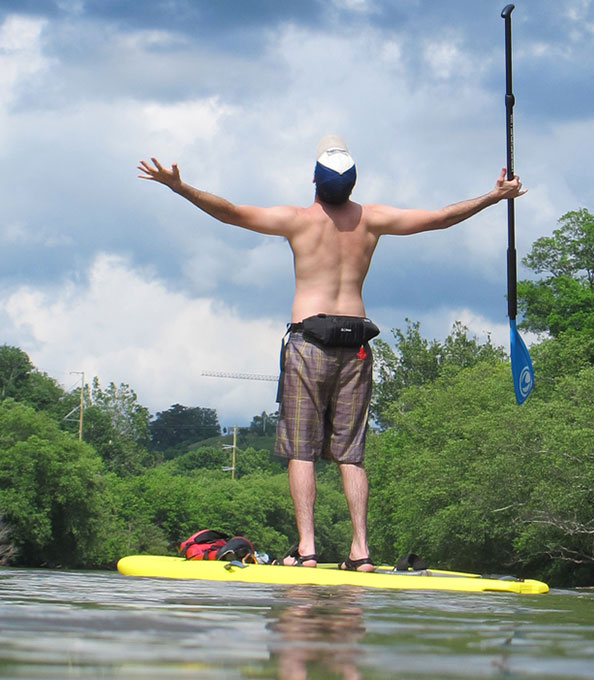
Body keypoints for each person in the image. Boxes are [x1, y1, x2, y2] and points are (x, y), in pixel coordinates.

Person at [138, 134, 526, 572]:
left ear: (314, 182)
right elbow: (439, 219)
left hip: (310, 343)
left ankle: (307, 549)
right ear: (353, 185)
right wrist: (495, 197)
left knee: (302, 450)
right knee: (350, 453)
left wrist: (180, 187)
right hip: (356, 346)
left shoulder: (298, 220)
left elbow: (230, 213)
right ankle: (360, 550)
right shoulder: (373, 219)